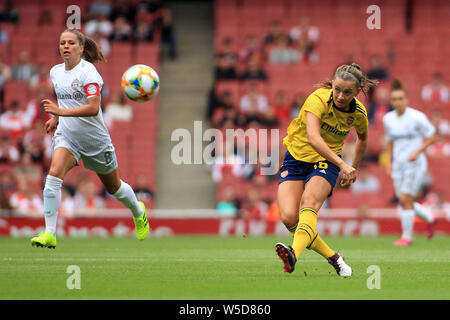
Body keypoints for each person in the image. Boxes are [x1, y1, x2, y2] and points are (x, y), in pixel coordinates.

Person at [30, 29, 149, 249]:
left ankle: (138, 211)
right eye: (62, 43)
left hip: (95, 140)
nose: (65, 46)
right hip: (68, 136)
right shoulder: (55, 72)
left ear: (81, 48)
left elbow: (94, 108)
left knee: (114, 188)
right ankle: (49, 233)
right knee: (53, 175)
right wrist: (57, 118)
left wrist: (60, 112)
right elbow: (66, 101)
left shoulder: (89, 73)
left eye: (71, 43)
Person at [275, 63, 377, 275]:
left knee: (309, 203)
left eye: (347, 92)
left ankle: (293, 254)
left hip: (325, 161)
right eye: (337, 89)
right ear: (332, 84)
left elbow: (363, 138)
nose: (340, 95)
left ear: (357, 92)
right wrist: (344, 165)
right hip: (296, 158)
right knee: (288, 218)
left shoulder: (358, 113)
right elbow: (313, 137)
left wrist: (353, 168)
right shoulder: (318, 98)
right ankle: (335, 258)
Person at [383, 79, 438, 246]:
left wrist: (417, 151)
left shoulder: (417, 117)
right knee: (404, 200)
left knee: (406, 198)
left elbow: (432, 136)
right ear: (391, 101)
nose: (398, 102)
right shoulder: (388, 119)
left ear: (406, 99)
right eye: (394, 99)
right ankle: (430, 217)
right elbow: (390, 141)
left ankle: (406, 237)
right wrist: (389, 161)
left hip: (415, 164)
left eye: (400, 99)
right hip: (398, 165)